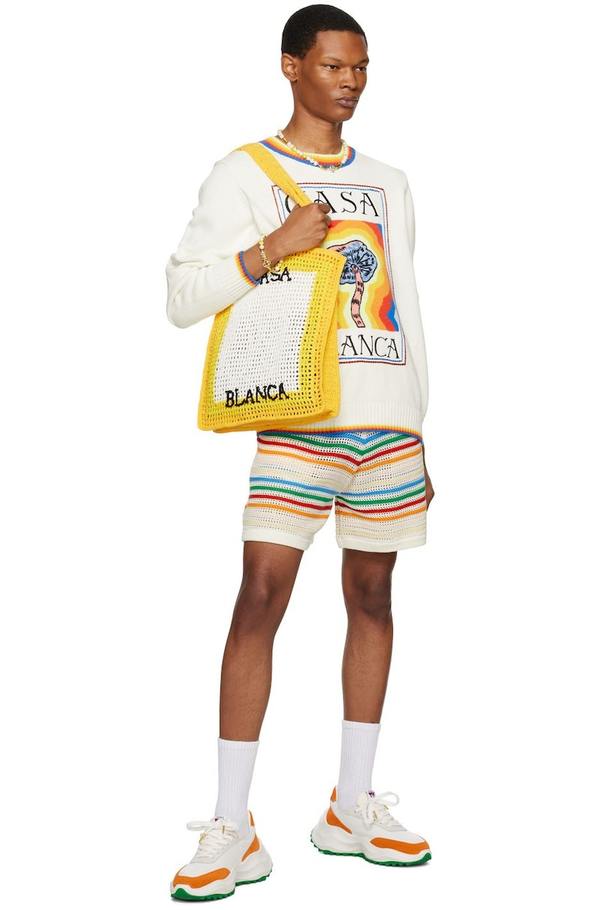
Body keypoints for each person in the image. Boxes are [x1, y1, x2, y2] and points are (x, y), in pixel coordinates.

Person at [165, 4, 434, 901]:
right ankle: (231, 823)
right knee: (261, 596)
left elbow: (405, 304)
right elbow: (182, 294)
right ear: (291, 66)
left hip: (387, 428)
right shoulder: (246, 171)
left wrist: (415, 421)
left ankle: (352, 806)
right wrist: (269, 250)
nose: (350, 81)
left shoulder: (391, 181)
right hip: (297, 421)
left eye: (361, 66)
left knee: (374, 597)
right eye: (332, 66)